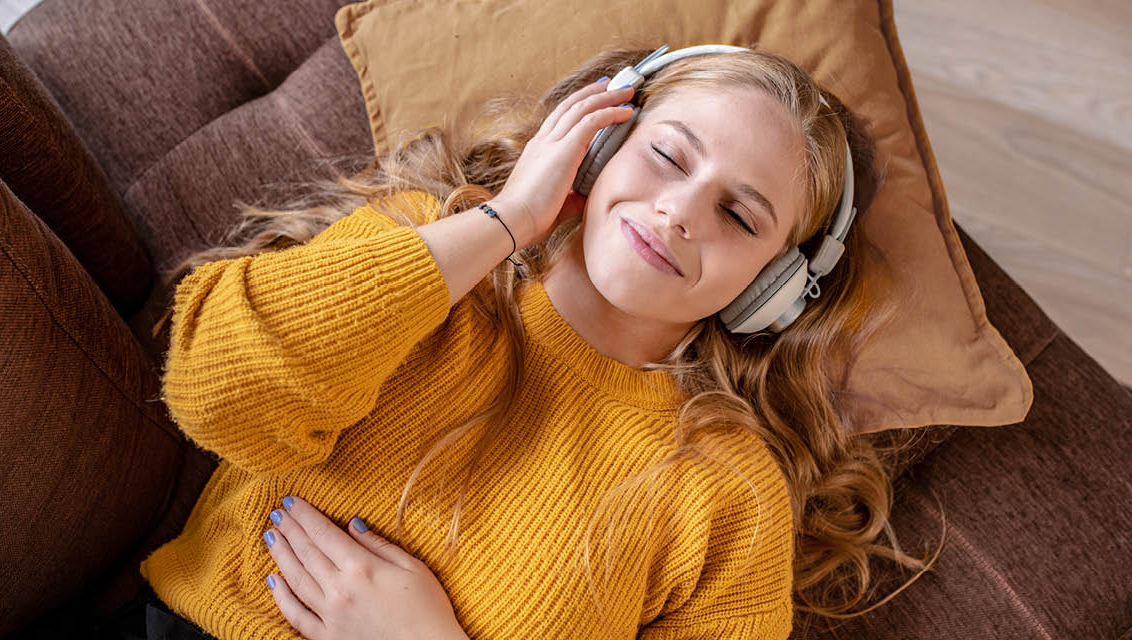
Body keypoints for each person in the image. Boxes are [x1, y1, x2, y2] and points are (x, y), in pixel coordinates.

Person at [128, 43, 941, 639]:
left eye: (739, 216)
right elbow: (217, 395)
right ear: (594, 143)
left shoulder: (728, 494)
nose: (680, 212)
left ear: (772, 291)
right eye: (666, 156)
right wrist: (507, 220)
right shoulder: (424, 248)